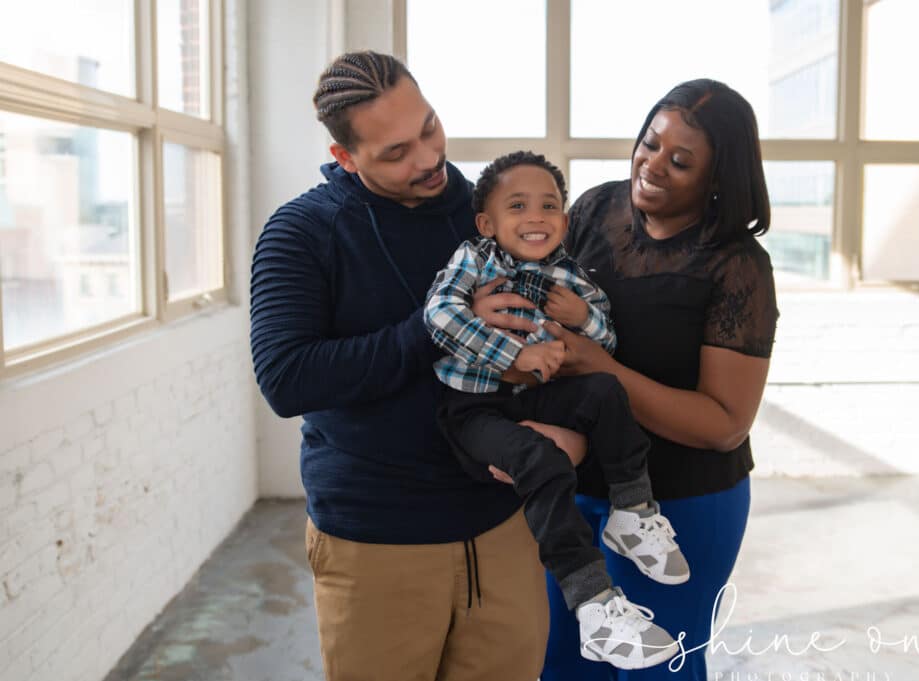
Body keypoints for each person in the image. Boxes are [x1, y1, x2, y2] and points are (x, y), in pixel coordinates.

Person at [249, 51, 550, 681]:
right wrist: (437, 327)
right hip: (375, 542)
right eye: (395, 153)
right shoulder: (301, 232)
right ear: (345, 158)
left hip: (503, 525)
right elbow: (286, 377)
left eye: (430, 128)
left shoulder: (487, 213)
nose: (427, 158)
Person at [534, 79, 780, 680]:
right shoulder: (594, 210)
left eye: (682, 161)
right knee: (562, 664)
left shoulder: (737, 265)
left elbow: (725, 424)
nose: (655, 166)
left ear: (717, 177)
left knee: (654, 670)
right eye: (650, 144)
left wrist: (603, 368)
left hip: (683, 506)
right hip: (574, 494)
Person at [425, 151, 689, 671]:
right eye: (518, 206)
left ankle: (631, 511)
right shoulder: (474, 260)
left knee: (607, 392)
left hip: (533, 394)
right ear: (488, 222)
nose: (536, 217)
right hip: (474, 409)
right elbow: (439, 316)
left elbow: (606, 341)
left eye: (548, 206)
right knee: (541, 457)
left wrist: (583, 317)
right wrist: (516, 354)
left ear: (564, 221)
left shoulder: (569, 275)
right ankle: (593, 604)